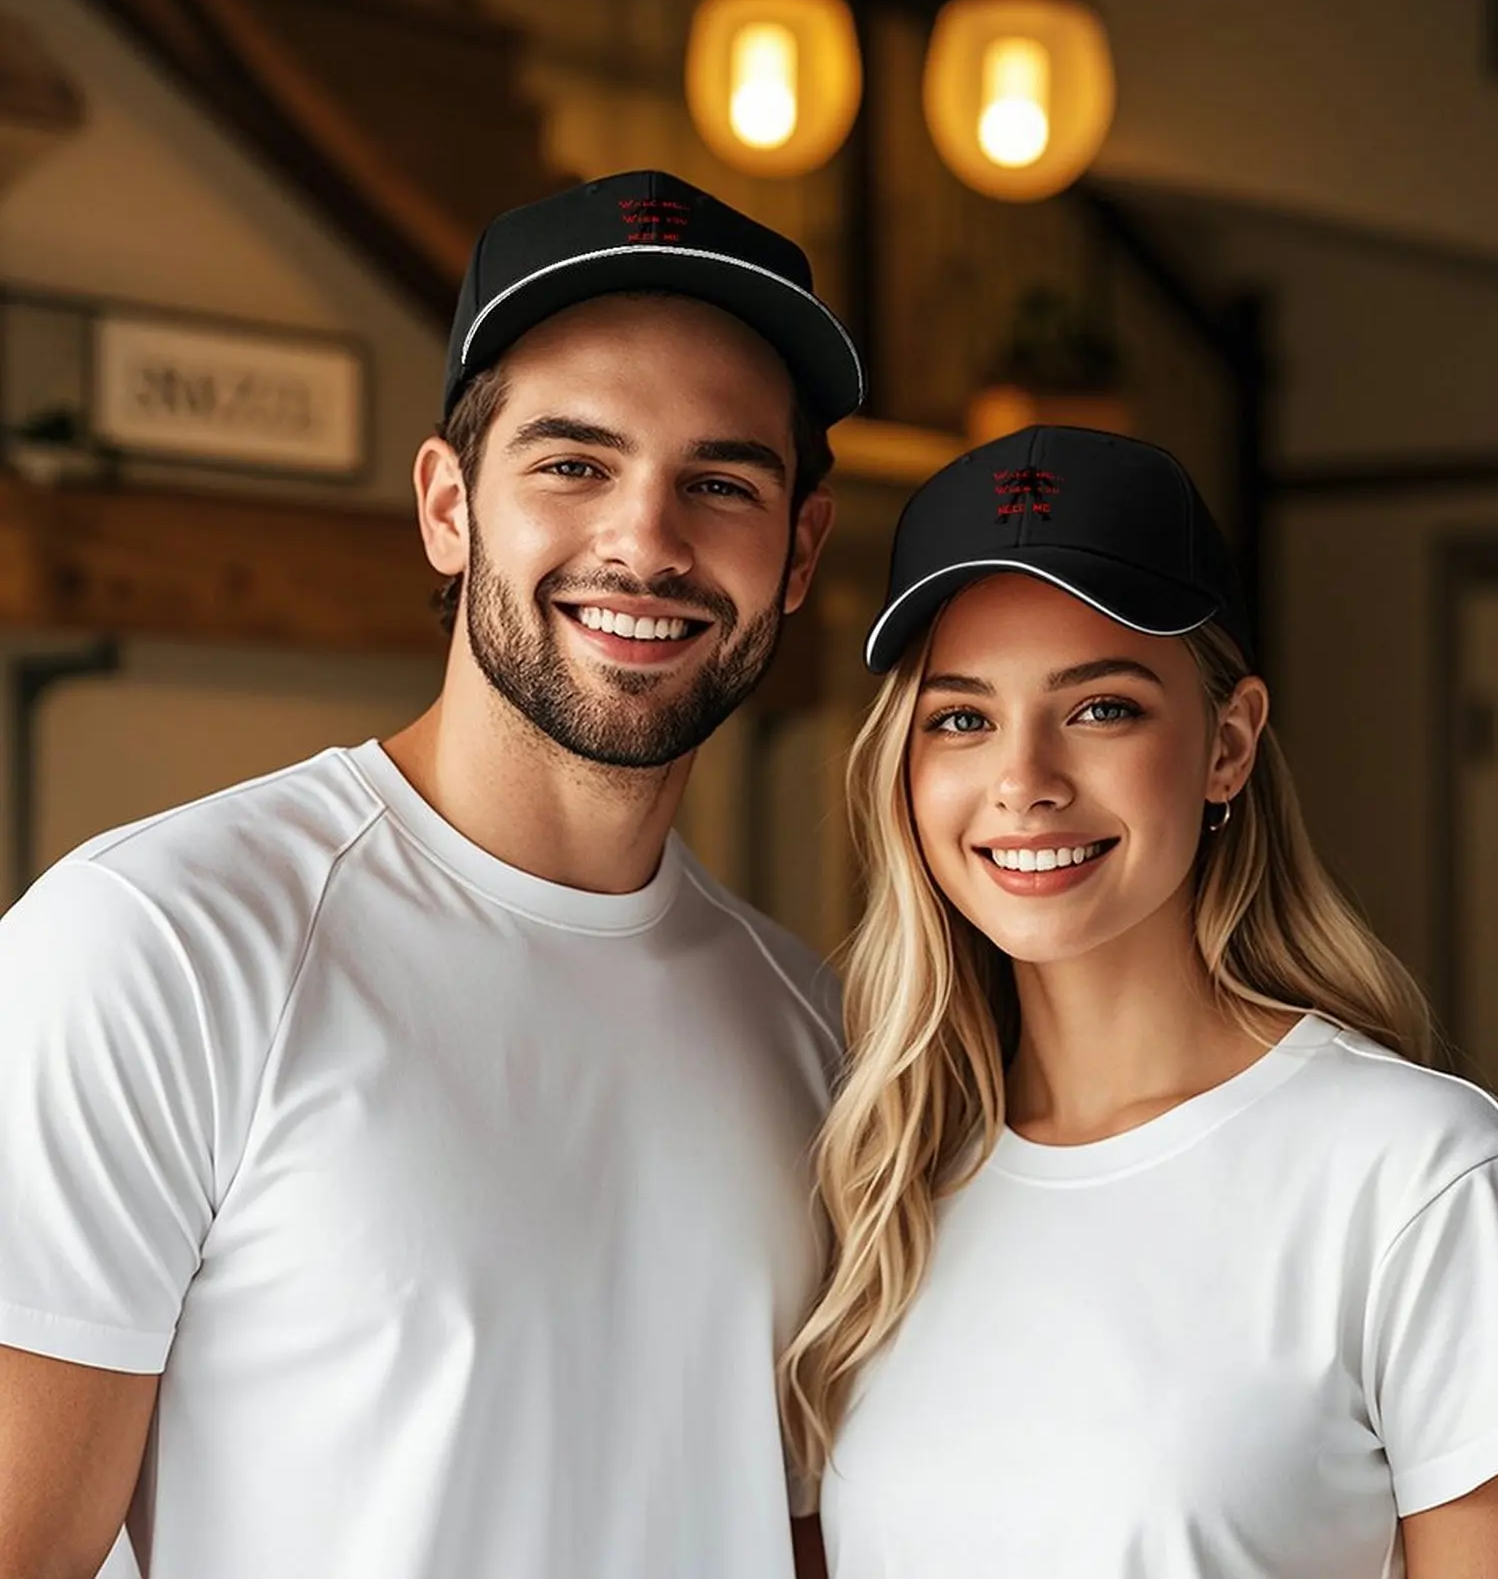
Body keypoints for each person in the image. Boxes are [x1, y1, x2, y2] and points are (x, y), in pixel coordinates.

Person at [0, 170, 861, 1579]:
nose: (646, 541)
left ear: (800, 551)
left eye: (720, 483)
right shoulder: (156, 946)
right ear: (449, 507)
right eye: (573, 464)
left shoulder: (818, 1030)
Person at [780, 425, 1498, 1577]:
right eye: (961, 718)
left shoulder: (1423, 1177)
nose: (1023, 781)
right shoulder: (884, 1184)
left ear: (1228, 742)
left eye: (1100, 708)